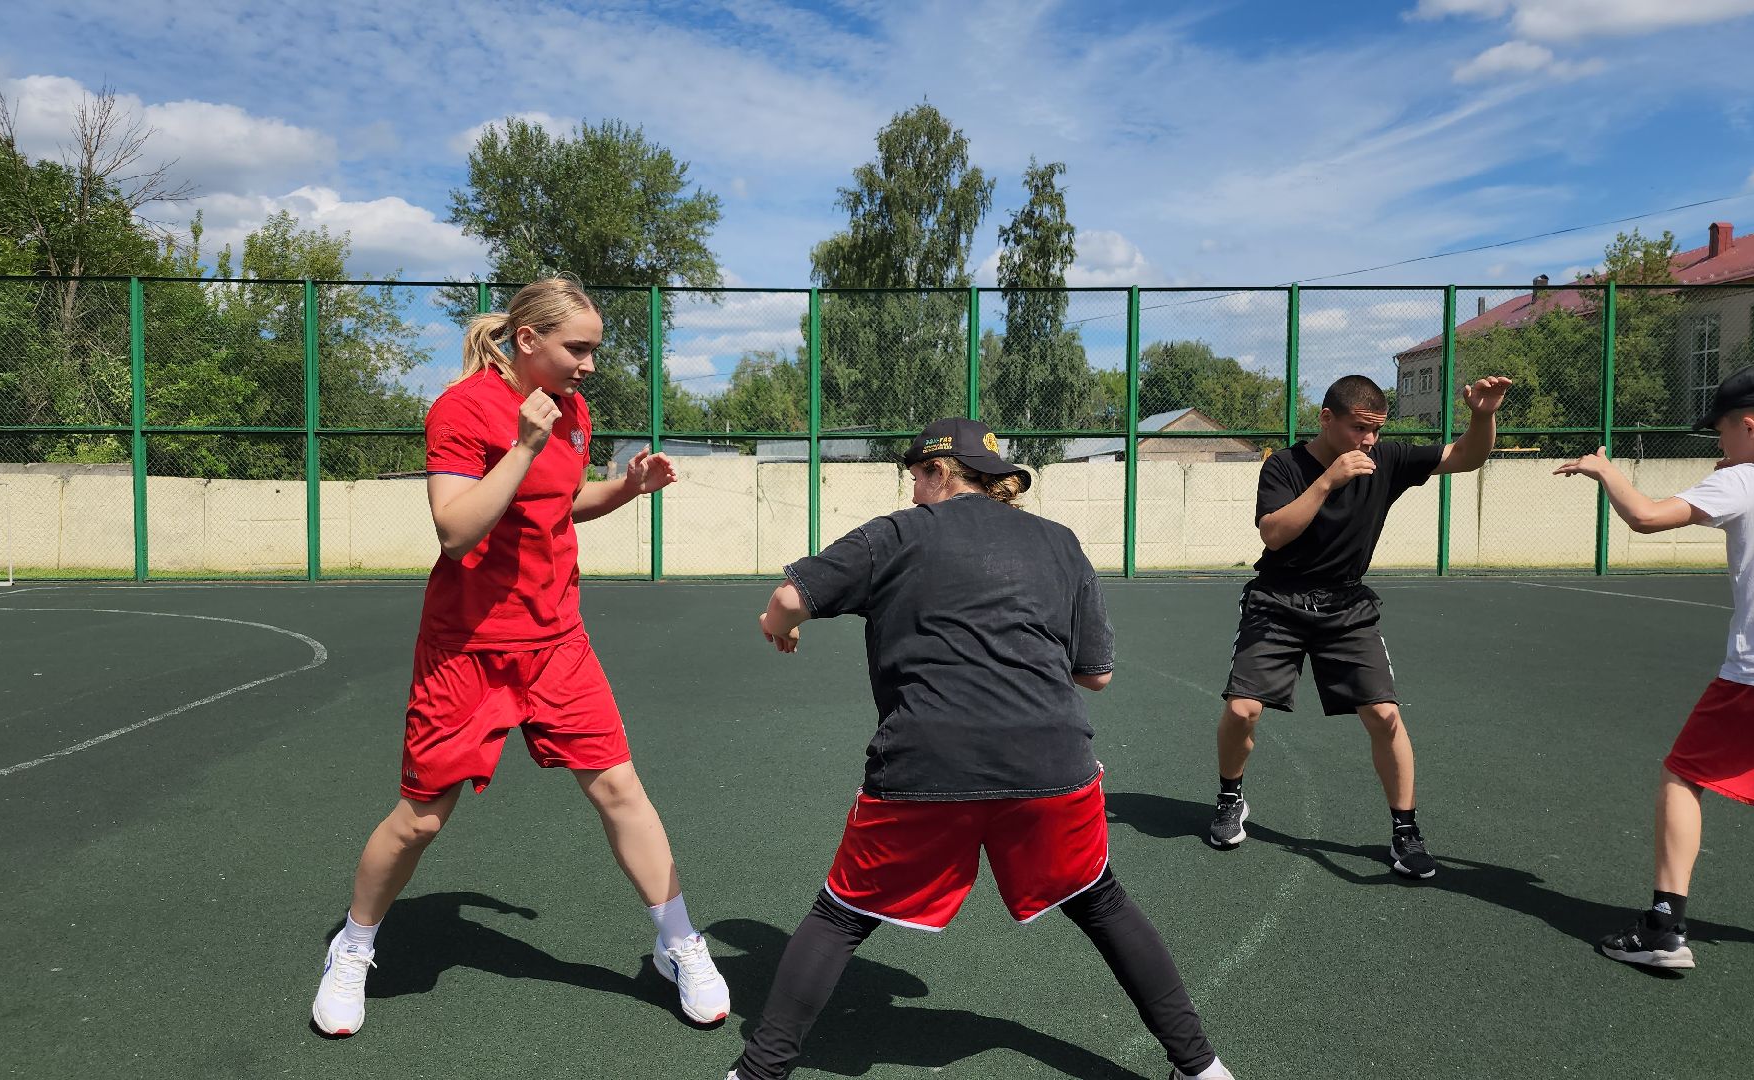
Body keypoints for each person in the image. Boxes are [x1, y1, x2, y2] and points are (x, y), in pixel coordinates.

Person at [730, 418, 1234, 1080]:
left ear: (940, 472)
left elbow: (788, 599)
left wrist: (781, 627)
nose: (912, 492)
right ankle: (1201, 1069)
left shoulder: (894, 533)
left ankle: (759, 1073)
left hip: (924, 767)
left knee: (842, 915)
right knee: (1100, 901)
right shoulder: (1059, 542)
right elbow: (1097, 674)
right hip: (1052, 767)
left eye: (916, 476)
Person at [309, 277, 730, 1035]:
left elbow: (558, 503)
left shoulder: (573, 411)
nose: (590, 365)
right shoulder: (463, 408)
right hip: (468, 649)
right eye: (579, 348)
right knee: (421, 821)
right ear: (527, 342)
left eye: (595, 349)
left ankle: (678, 944)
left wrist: (626, 489)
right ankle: (354, 944)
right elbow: (456, 528)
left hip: (557, 641)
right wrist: (525, 442)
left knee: (620, 791)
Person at [1553, 365, 1754, 971]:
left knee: (1683, 776)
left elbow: (1645, 516)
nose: (1721, 447)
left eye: (1722, 433)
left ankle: (1664, 928)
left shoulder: (1751, 479)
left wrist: (1606, 470)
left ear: (1749, 426)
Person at [1207, 374, 1513, 879]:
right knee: (1242, 709)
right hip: (1277, 601)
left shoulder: (1386, 460)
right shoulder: (1283, 466)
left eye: (1376, 429)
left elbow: (1466, 457)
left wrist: (1482, 416)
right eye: (1359, 428)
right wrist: (1329, 480)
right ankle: (1229, 798)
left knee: (1385, 716)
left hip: (1346, 605)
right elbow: (1274, 534)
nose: (1369, 440)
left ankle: (1405, 831)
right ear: (1327, 419)